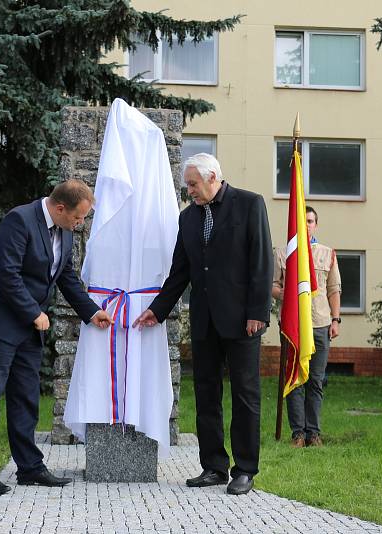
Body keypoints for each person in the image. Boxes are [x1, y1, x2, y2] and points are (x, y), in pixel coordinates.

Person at [133, 153, 273, 496]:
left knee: (245, 396)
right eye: (187, 186)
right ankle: (213, 467)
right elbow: (181, 270)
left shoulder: (250, 205)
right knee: (206, 394)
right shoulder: (188, 219)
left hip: (243, 321)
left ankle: (244, 470)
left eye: (193, 185)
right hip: (205, 321)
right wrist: (158, 309)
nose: (190, 191)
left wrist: (258, 311)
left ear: (213, 178)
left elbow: (261, 262)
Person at [0, 179, 112, 494]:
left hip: (30, 332)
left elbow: (66, 277)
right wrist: (34, 312)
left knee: (26, 399)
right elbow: (7, 274)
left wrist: (91, 311)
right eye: (78, 217)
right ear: (60, 208)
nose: (81, 223)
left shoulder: (65, 231)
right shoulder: (19, 220)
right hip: (0, 326)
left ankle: (29, 468)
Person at [272, 206, 341, 448]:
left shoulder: (327, 253)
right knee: (294, 379)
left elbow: (333, 290)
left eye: (311, 221)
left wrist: (336, 319)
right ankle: (298, 434)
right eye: (304, 220)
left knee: (316, 380)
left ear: (316, 225)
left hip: (320, 323)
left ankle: (313, 433)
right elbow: (273, 287)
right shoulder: (283, 253)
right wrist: (289, 294)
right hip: (293, 326)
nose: (307, 224)